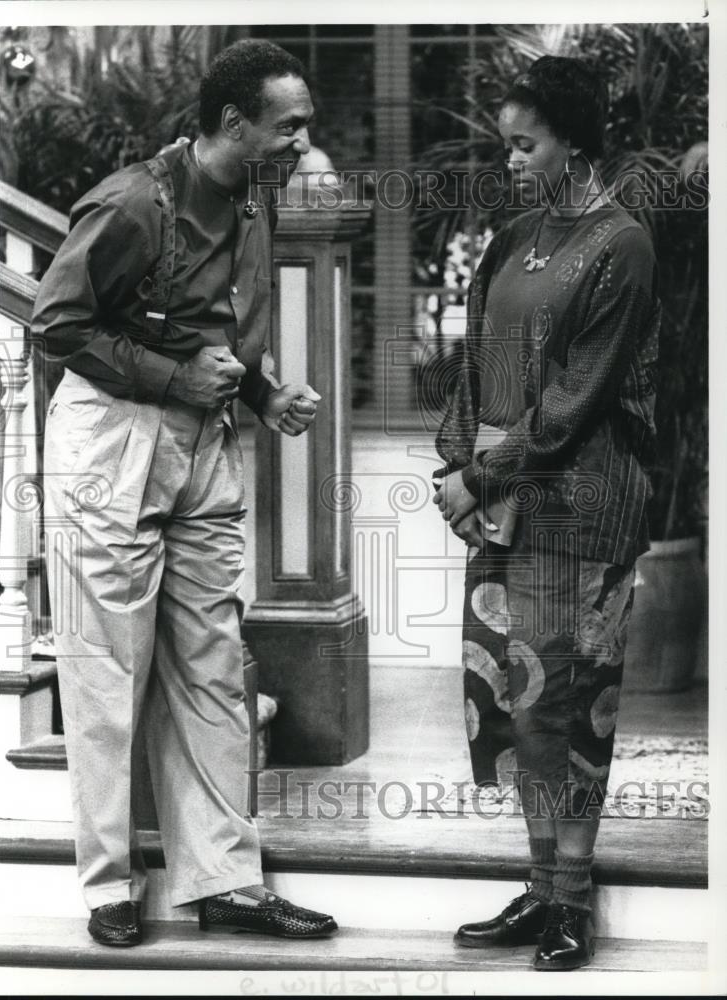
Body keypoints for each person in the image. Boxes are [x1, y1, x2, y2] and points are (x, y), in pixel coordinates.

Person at [32, 39, 337, 947]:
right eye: (288, 125)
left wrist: (262, 392)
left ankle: (225, 879)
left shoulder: (252, 197)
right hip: (113, 444)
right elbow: (55, 324)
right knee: (107, 674)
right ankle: (108, 887)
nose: (302, 140)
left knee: (211, 664)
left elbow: (215, 330)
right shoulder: (131, 203)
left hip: (203, 442)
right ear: (232, 123)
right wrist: (173, 383)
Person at [433, 56, 659, 971]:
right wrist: (458, 468)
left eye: (525, 144)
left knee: (572, 703)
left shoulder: (623, 244)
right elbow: (472, 364)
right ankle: (536, 889)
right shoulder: (513, 232)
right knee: (514, 698)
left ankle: (574, 897)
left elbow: (577, 400)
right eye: (507, 144)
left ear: (572, 136)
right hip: (506, 504)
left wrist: (482, 474)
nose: (513, 160)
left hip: (583, 503)